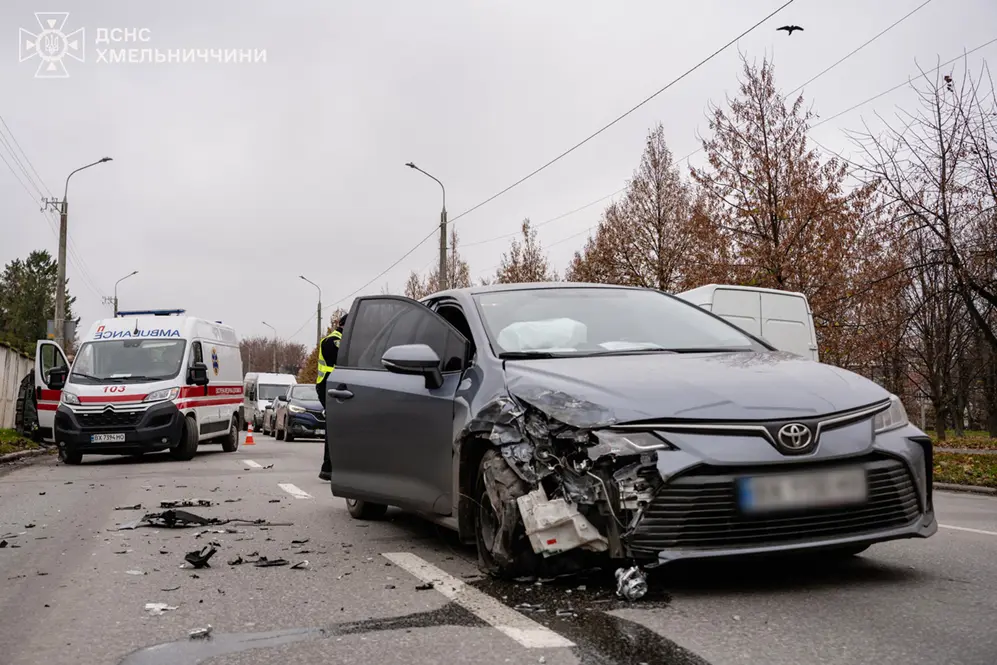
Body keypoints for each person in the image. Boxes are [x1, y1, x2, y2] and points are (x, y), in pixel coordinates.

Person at [316, 314, 346, 481]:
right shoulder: (334, 340)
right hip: (329, 385)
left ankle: (329, 467)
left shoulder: (340, 340)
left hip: (333, 385)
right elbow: (340, 360)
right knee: (334, 426)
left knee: (335, 425)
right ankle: (328, 467)